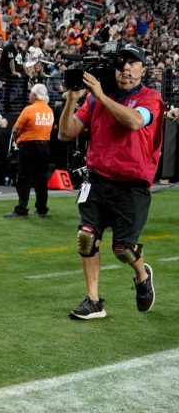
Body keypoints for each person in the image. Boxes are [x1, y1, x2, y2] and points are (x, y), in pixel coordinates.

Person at [58, 45, 163, 320]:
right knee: (86, 238)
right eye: (121, 63)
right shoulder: (93, 100)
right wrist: (72, 99)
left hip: (131, 183)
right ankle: (93, 301)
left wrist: (100, 95)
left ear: (143, 69)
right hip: (97, 179)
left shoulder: (150, 98)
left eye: (133, 63)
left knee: (124, 249)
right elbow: (66, 133)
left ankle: (142, 275)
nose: (126, 69)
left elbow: (134, 122)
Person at [4, 83, 53, 218]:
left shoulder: (29, 110)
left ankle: (21, 208)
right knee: (41, 180)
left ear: (35, 95)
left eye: (31, 93)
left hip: (29, 146)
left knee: (24, 178)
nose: (29, 95)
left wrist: (16, 141)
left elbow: (15, 129)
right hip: (44, 147)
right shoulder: (49, 110)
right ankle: (41, 208)